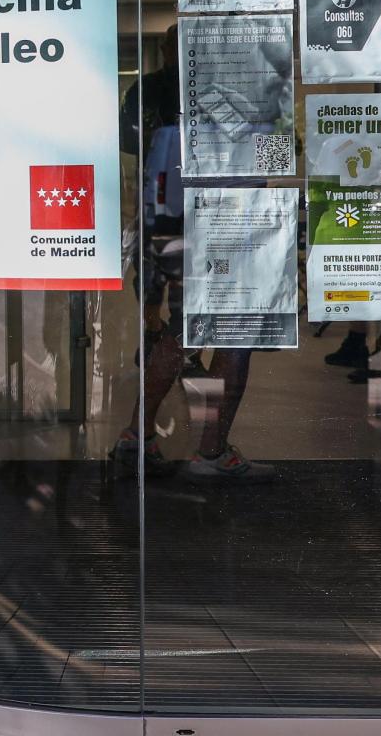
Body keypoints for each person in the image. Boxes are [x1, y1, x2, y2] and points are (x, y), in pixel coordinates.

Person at [111, 24, 276, 482]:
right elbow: (271, 157)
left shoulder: (153, 92)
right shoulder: (232, 93)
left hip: (172, 223)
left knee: (181, 335)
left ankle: (137, 436)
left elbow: (136, 156)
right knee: (231, 341)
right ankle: (210, 450)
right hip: (221, 225)